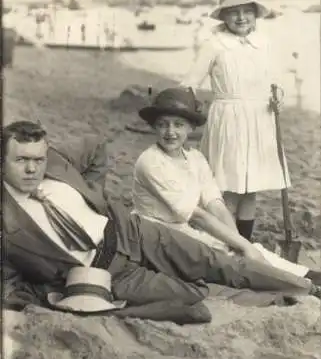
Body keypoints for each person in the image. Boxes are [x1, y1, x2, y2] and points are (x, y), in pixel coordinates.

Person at [3, 121, 321, 322]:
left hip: (132, 232)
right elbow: (11, 286)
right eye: (21, 161)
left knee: (220, 263)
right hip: (107, 276)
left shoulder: (56, 162)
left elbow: (95, 146)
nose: (32, 170)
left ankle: (307, 288)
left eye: (37, 160)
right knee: (194, 298)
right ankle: (282, 294)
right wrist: (57, 285)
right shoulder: (6, 223)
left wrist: (94, 196)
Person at [132, 87, 320, 281]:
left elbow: (215, 205)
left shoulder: (195, 159)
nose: (170, 132)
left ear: (191, 127)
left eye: (178, 124)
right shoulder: (151, 162)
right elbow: (197, 216)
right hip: (156, 238)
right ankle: (296, 281)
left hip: (181, 232)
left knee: (239, 250)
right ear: (154, 127)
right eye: (163, 125)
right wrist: (242, 246)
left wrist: (238, 242)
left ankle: (304, 275)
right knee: (229, 258)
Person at [180, 0, 289, 241]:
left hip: (261, 119)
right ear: (223, 17)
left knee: (251, 189)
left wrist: (278, 99)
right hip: (228, 118)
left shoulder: (264, 44)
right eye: (234, 12)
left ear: (255, 14)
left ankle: (245, 243)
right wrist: (181, 110)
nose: (241, 18)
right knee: (227, 187)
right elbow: (190, 83)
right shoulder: (214, 44)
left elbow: (276, 81)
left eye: (246, 12)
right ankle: (225, 242)